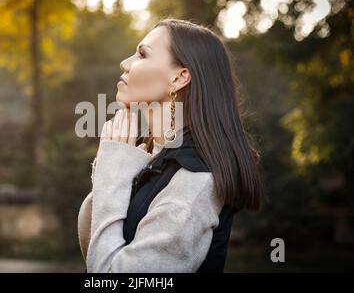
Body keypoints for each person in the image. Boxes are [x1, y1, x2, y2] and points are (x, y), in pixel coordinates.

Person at [78, 18, 263, 273]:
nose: (125, 63)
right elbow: (95, 249)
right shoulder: (151, 159)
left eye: (142, 54)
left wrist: (112, 174)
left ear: (179, 77)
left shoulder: (196, 181)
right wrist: (119, 172)